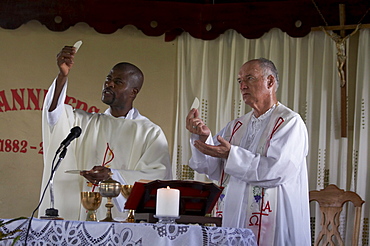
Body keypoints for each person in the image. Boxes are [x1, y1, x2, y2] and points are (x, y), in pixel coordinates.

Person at [39, 45, 172, 221]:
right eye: (108, 79)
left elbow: (157, 178)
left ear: (133, 92)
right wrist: (62, 76)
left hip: (124, 222)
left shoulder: (149, 132)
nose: (109, 84)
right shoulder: (86, 123)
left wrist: (112, 175)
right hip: (81, 218)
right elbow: (55, 115)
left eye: (118, 82)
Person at [186, 58, 310, 245]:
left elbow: (277, 171)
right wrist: (203, 138)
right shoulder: (237, 126)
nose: (243, 86)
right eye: (239, 81)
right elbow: (214, 169)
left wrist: (230, 155)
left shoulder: (289, 122)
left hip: (273, 221)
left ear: (270, 82)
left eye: (250, 78)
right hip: (236, 217)